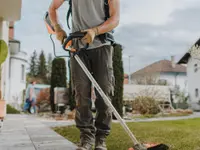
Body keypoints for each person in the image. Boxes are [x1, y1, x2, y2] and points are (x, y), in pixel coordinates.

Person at [49, 0, 120, 150]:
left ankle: (101, 139)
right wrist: (57, 28)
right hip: (78, 47)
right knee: (81, 94)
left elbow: (115, 19)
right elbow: (53, 7)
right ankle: (86, 138)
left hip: (102, 44)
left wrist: (95, 31)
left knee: (105, 92)